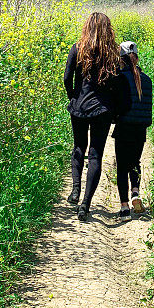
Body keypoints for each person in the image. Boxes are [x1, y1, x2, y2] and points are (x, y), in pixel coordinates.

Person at [63, 12, 127, 221]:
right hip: (103, 110)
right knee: (96, 154)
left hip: (79, 107)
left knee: (78, 147)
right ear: (108, 29)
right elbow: (118, 85)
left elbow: (66, 78)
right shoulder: (113, 54)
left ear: (87, 27)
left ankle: (75, 190)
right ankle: (85, 205)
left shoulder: (77, 48)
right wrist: (116, 110)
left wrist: (73, 97)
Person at [113, 41, 152, 220]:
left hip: (124, 128)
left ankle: (124, 208)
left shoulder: (120, 78)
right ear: (136, 57)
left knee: (121, 167)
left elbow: (118, 106)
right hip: (140, 129)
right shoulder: (147, 79)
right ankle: (135, 192)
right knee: (135, 162)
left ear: (121, 59)